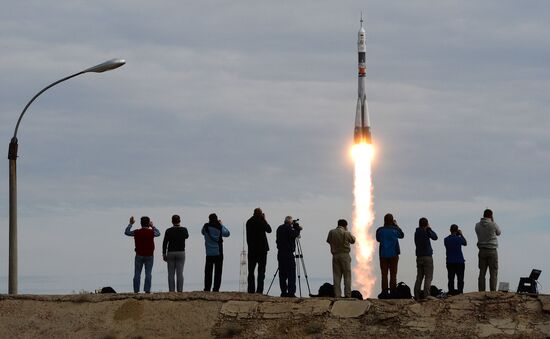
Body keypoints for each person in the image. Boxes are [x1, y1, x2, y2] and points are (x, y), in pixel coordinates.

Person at [125, 216, 161, 293]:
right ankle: (147, 290)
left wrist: (130, 224)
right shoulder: (151, 232)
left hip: (139, 254)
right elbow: (158, 233)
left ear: (141, 223)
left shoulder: (137, 232)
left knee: (137, 273)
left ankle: (136, 290)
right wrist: (152, 226)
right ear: (148, 223)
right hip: (149, 255)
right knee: (148, 273)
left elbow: (127, 232)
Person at [375, 213, 404, 298]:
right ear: (392, 220)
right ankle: (393, 292)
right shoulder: (395, 230)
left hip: (383, 254)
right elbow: (402, 235)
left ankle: (384, 292)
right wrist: (396, 225)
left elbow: (378, 239)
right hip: (394, 254)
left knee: (384, 274)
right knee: (393, 274)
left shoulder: (380, 230)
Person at [326, 219, 356, 298]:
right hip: (345, 255)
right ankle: (347, 294)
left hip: (335, 255)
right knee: (347, 276)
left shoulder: (331, 232)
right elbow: (353, 240)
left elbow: (329, 241)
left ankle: (337, 294)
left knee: (336, 276)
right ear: (345, 225)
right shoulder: (346, 233)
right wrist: (347, 231)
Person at [246, 207, 272, 294]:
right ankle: (259, 290)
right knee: (261, 271)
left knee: (251, 271)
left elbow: (248, 237)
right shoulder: (261, 221)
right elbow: (269, 230)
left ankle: (251, 290)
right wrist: (264, 219)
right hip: (262, 250)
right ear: (261, 214)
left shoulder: (249, 222)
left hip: (252, 250)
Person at [202, 213, 230, 292]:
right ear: (216, 219)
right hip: (218, 253)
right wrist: (221, 225)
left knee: (208, 272)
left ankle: (207, 288)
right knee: (218, 272)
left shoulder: (206, 227)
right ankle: (216, 289)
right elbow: (227, 233)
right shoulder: (219, 227)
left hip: (209, 253)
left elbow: (202, 232)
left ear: (209, 219)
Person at [475, 209, 501, 292]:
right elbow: (499, 233)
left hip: (482, 250)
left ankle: (481, 291)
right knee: (493, 272)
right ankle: (492, 291)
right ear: (491, 215)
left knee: (482, 272)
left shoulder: (477, 225)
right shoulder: (493, 224)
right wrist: (493, 221)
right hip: (492, 250)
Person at [276, 216, 302, 297]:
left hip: (280, 253)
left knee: (282, 274)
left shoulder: (279, 228)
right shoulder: (288, 228)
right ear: (290, 222)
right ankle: (291, 292)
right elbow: (295, 234)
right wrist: (297, 228)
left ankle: (283, 292)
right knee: (291, 273)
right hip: (288, 253)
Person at [162, 214, 189, 292]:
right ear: (179, 221)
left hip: (170, 252)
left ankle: (171, 291)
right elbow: (187, 236)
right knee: (180, 273)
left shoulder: (168, 230)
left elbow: (165, 243)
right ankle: (180, 290)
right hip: (181, 252)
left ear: (172, 221)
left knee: (171, 273)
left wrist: (164, 253)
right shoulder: (184, 229)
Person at [414, 217, 438, 300]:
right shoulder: (427, 232)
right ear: (426, 224)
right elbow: (435, 237)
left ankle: (416, 295)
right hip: (427, 257)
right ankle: (426, 295)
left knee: (419, 277)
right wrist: (429, 229)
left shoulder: (416, 232)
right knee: (428, 277)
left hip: (419, 257)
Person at [444, 224, 467, 295]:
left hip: (450, 261)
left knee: (451, 279)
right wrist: (461, 234)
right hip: (459, 261)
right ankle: (460, 292)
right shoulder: (459, 238)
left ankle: (451, 292)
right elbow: (465, 243)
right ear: (457, 230)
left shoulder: (446, 239)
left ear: (450, 230)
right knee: (460, 279)